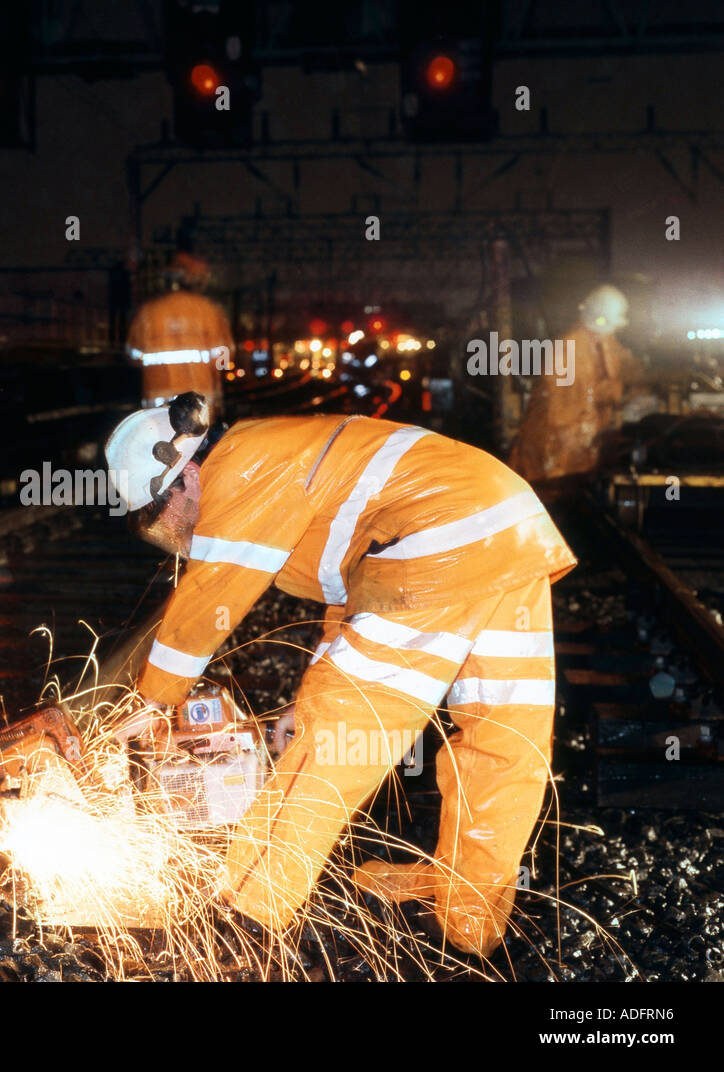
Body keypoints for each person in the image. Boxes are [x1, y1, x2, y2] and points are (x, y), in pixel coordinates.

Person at [105, 393, 577, 956]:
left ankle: (247, 911)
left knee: (337, 737)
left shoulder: (239, 466)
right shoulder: (286, 454)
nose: (175, 532)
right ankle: (469, 915)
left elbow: (208, 599)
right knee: (505, 740)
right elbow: (357, 588)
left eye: (163, 516)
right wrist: (300, 703)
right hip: (505, 532)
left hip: (436, 543)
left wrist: (152, 699)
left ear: (185, 474)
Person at [508, 284, 632, 493]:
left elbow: (619, 374)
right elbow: (563, 410)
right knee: (553, 501)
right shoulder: (568, 347)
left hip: (576, 454)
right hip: (552, 453)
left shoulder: (603, 343)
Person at [126, 253, 233, 415]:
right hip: (200, 401)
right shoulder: (209, 310)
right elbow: (224, 354)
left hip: (158, 403)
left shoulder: (148, 312)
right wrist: (216, 375)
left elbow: (133, 355)